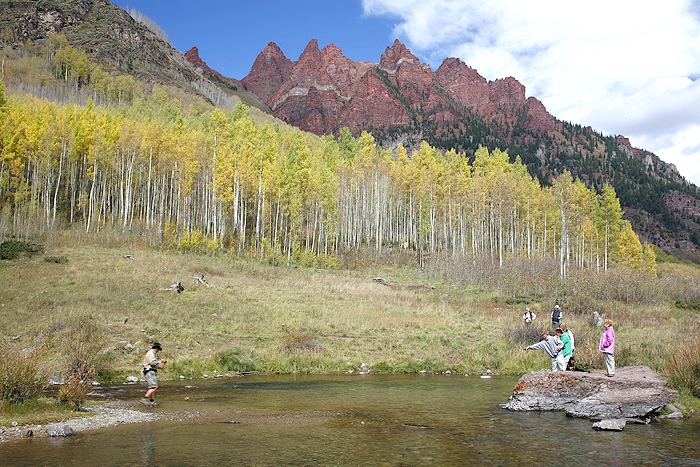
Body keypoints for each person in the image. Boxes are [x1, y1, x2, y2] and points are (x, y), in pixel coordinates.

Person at [142, 342, 166, 406]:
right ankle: (144, 399)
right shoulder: (151, 353)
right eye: (158, 350)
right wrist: (161, 361)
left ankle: (152, 401)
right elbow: (152, 363)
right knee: (154, 387)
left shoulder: (151, 353)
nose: (158, 351)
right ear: (156, 349)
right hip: (149, 371)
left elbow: (152, 364)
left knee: (151, 387)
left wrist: (159, 367)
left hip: (150, 371)